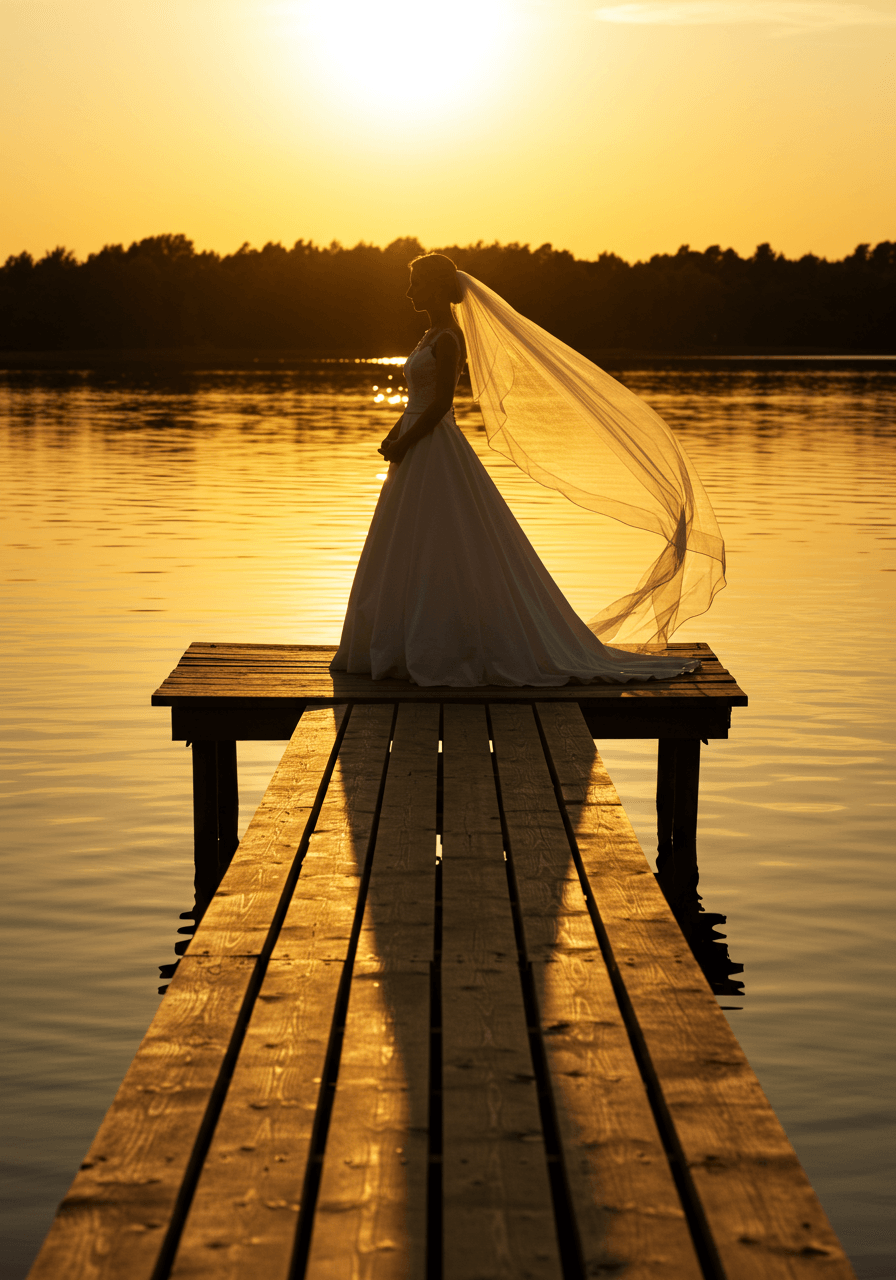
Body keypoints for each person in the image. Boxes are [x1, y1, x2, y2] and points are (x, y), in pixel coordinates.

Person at [330, 253, 725, 687]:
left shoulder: (447, 339)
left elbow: (442, 404)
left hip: (432, 447)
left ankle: (445, 645)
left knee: (443, 541)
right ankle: (400, 643)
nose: (408, 293)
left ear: (438, 287)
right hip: (415, 445)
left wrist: (405, 440)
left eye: (416, 284)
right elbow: (417, 401)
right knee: (405, 541)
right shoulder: (428, 336)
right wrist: (395, 433)